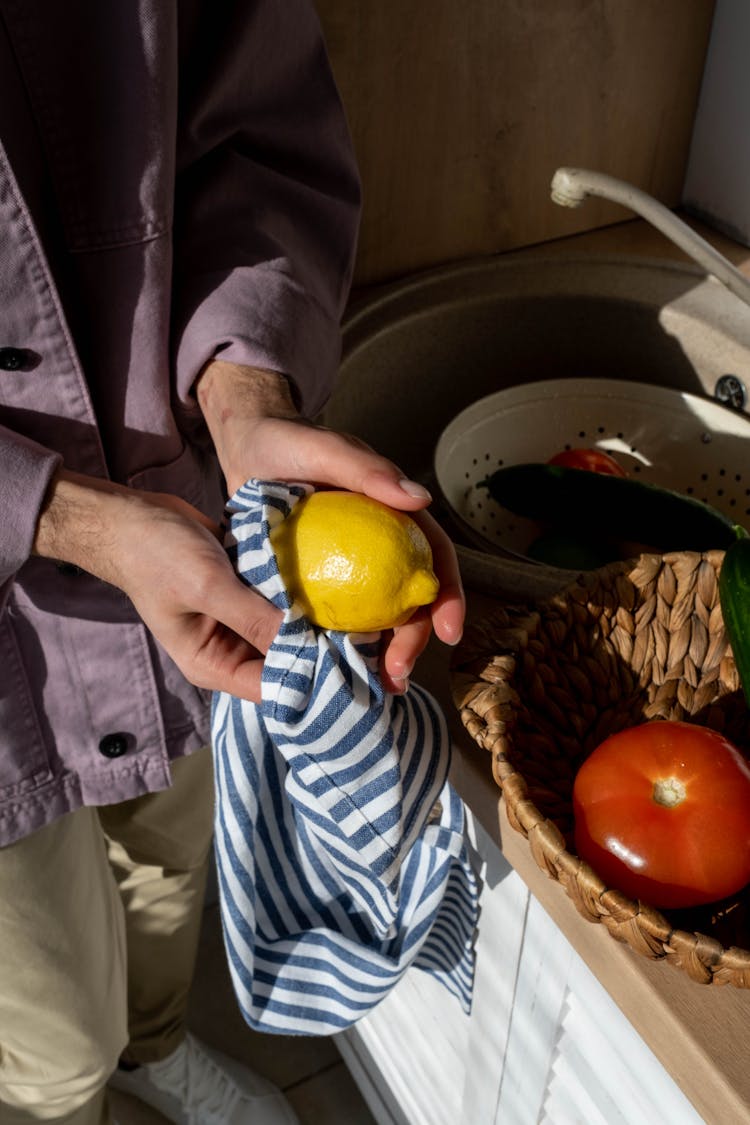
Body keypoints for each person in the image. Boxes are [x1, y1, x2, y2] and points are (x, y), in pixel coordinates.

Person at [0, 3, 465, 1124]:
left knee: (169, 863)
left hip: (197, 537)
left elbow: (254, 133)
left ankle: (155, 1051)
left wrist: (246, 393)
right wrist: (71, 519)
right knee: (55, 1040)